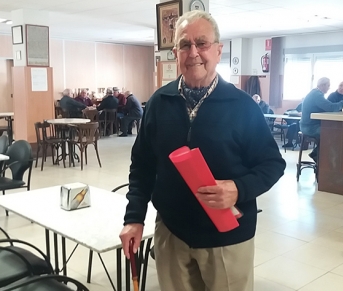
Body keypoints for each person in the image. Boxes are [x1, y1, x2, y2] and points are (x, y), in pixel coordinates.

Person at [119, 10, 286, 291]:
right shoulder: (160, 102)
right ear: (176, 52)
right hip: (171, 234)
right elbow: (142, 165)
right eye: (185, 44)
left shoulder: (242, 106)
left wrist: (238, 188)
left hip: (227, 238)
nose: (193, 52)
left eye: (202, 43)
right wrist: (134, 218)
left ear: (218, 51)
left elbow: (272, 164)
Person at [300, 77, 343, 161]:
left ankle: (317, 155)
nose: (329, 88)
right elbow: (330, 107)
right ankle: (323, 159)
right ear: (323, 85)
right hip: (310, 127)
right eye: (328, 85)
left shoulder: (315, 93)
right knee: (334, 133)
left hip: (309, 125)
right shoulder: (317, 95)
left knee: (333, 132)